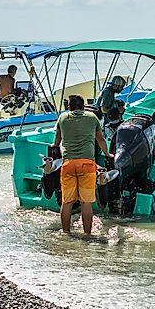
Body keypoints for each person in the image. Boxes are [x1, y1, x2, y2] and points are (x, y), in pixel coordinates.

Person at [51, 94, 112, 236]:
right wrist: (108, 154)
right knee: (86, 203)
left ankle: (66, 232)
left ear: (69, 107)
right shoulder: (92, 117)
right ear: (83, 106)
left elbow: (57, 140)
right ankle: (87, 234)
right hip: (87, 164)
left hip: (68, 164)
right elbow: (101, 139)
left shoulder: (63, 118)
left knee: (67, 202)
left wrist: (54, 145)